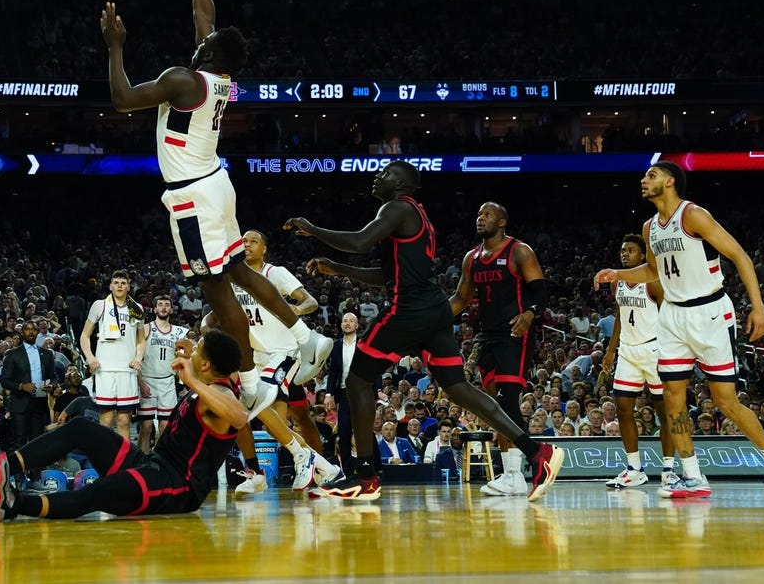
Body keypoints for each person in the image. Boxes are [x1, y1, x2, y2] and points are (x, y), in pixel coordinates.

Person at [100, 0, 331, 419]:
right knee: (239, 272)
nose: (199, 36)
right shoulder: (218, 78)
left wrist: (114, 45)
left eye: (204, 40)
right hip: (215, 184)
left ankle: (248, 379)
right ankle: (304, 335)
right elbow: (205, 14)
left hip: (191, 196)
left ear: (206, 53)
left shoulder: (182, 79)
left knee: (215, 285)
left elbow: (121, 100)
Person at [286, 161, 564, 500]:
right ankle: (539, 454)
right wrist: (337, 268)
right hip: (433, 311)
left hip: (409, 310)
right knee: (460, 389)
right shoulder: (415, 216)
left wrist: (313, 229)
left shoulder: (397, 207)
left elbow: (360, 242)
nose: (378, 176)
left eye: (385, 172)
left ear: (401, 183)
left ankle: (365, 475)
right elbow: (387, 276)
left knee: (357, 379)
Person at [594, 160, 764, 498]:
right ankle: (691, 475)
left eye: (652, 175)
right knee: (673, 397)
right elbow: (653, 271)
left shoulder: (693, 216)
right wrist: (618, 274)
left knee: (726, 401)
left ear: (671, 182)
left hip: (710, 313)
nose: (644, 180)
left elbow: (740, 257)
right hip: (673, 318)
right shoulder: (650, 228)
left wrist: (758, 308)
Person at [0, 329, 246, 522]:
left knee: (98, 491)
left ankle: (15, 504)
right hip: (152, 463)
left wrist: (192, 381)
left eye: (198, 351)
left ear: (206, 365)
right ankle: (3, 466)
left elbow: (240, 417)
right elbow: (222, 347)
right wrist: (194, 349)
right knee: (81, 428)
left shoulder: (222, 395)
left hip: (178, 487)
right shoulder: (212, 378)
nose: (192, 353)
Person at [209, 229, 343, 494]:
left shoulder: (275, 273)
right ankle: (323, 468)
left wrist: (296, 309)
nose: (247, 245)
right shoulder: (235, 281)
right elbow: (215, 316)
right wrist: (204, 325)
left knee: (256, 403)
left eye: (253, 241)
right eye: (243, 241)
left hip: (283, 352)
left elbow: (310, 301)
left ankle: (302, 457)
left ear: (264, 248)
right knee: (267, 424)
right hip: (254, 357)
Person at [451, 202, 550, 496]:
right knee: (494, 407)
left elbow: (540, 290)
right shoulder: (472, 258)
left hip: (515, 332)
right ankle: (512, 475)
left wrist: (530, 314)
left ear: (502, 221)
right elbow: (461, 296)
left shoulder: (520, 251)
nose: (480, 218)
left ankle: (519, 471)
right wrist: (437, 317)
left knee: (507, 401)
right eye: (479, 214)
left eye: (487, 215)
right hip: (487, 335)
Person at [601, 233, 677, 489]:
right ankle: (634, 469)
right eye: (623, 251)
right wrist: (611, 350)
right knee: (623, 409)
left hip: (654, 349)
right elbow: (620, 316)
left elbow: (670, 315)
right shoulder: (617, 283)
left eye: (631, 250)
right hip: (628, 352)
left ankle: (669, 470)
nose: (625, 254)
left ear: (643, 256)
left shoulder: (653, 282)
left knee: (664, 412)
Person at [78, 270, 146, 440]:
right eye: (116, 282)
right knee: (106, 419)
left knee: (124, 420)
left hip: (127, 369)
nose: (119, 286)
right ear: (110, 286)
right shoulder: (100, 305)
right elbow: (85, 335)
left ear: (129, 287)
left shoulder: (137, 308)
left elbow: (141, 340)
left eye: (123, 283)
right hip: (105, 369)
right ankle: (105, 461)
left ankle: (123, 460)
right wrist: (90, 357)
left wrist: (138, 357)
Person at [138, 295, 187, 453]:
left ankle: (159, 461)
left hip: (167, 382)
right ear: (154, 309)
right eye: (160, 304)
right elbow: (135, 357)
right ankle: (142, 461)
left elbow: (184, 360)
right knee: (146, 427)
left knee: (165, 427)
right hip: (147, 380)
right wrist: (140, 382)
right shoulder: (146, 329)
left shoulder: (180, 333)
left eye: (167, 305)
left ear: (172, 309)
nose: (164, 307)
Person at [0, 321, 56, 452]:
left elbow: (53, 378)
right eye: (27, 329)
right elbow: (4, 380)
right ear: (22, 332)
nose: (31, 332)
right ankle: (19, 473)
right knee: (19, 442)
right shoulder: (13, 354)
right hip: (19, 404)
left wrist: (51, 386)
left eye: (34, 329)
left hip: (39, 404)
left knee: (37, 442)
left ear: (38, 332)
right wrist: (21, 386)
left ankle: (35, 473)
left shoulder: (47, 354)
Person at [327, 312, 361, 474]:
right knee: (344, 433)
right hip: (343, 393)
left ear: (357, 325)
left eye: (351, 321)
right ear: (341, 325)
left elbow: (373, 368)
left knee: (364, 432)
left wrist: (379, 391)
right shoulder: (336, 345)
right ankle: (347, 472)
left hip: (362, 392)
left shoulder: (363, 344)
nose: (347, 323)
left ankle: (370, 468)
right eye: (345, 321)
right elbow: (333, 371)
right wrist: (328, 394)